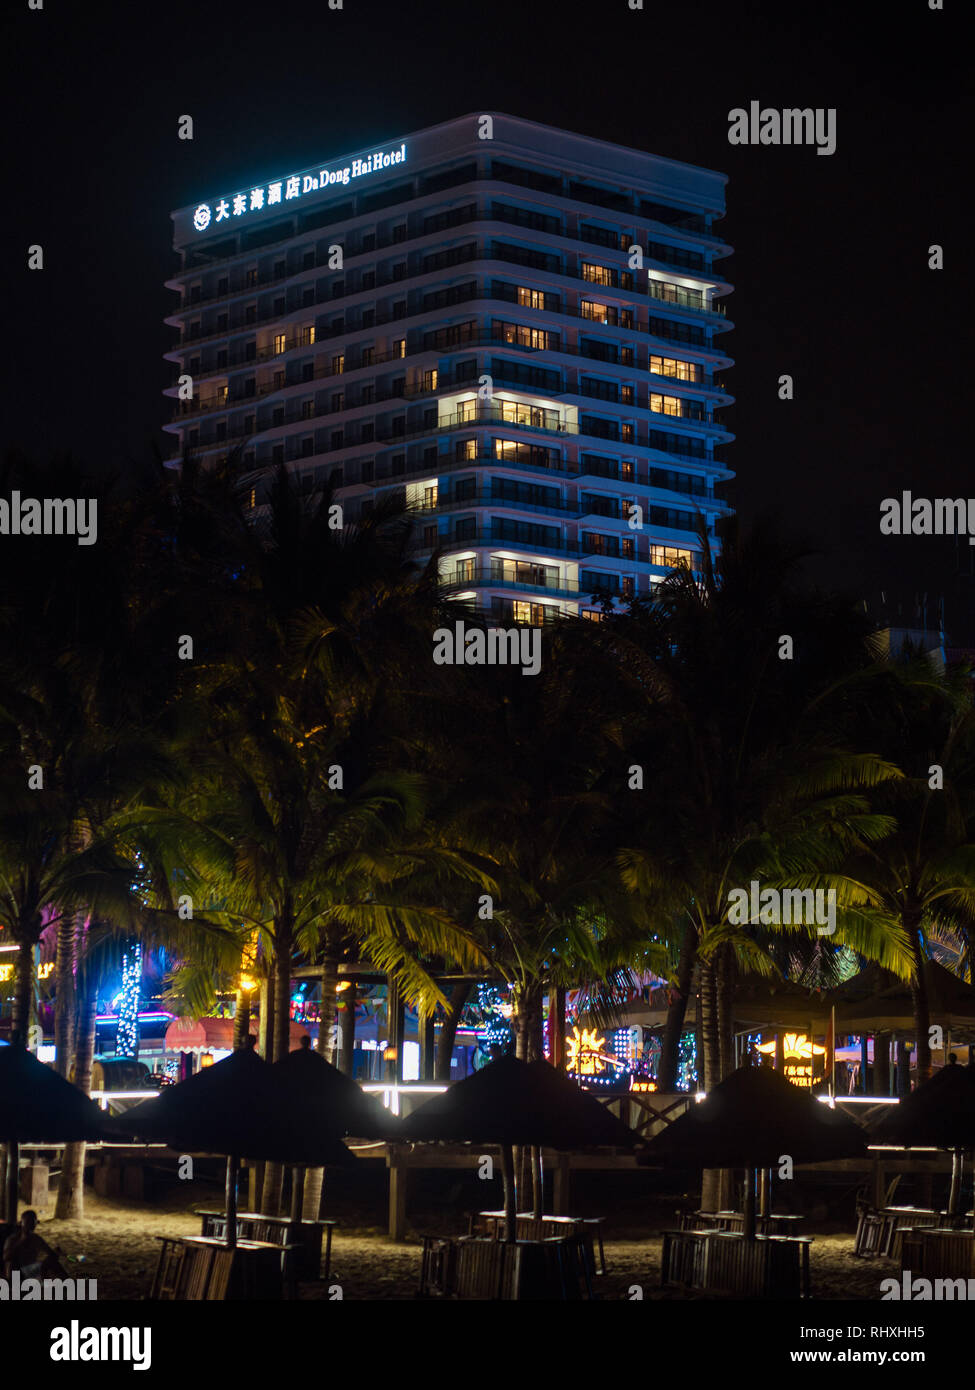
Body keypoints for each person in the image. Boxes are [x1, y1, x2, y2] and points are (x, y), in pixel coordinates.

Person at [2, 1209, 65, 1278]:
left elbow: (50, 1253)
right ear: (21, 1223)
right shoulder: (12, 1239)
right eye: (28, 1222)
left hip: (30, 1271)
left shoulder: (36, 1238)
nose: (30, 1225)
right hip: (15, 1274)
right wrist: (21, 1241)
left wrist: (55, 1252)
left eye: (32, 1223)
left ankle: (69, 1284)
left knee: (52, 1261)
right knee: (11, 1264)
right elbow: (6, 1258)